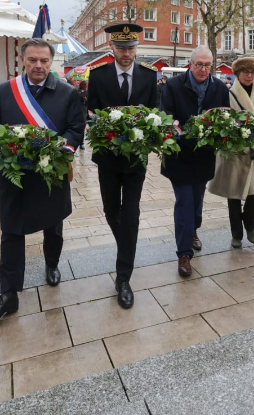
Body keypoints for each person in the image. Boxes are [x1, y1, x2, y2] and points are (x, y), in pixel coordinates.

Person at [0, 39, 86, 321]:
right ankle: (9, 294)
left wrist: (60, 150)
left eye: (44, 61)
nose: (39, 66)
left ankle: (52, 264)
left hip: (51, 173)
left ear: (51, 62)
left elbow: (76, 128)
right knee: (11, 232)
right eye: (33, 60)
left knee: (53, 227)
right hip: (15, 177)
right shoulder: (6, 91)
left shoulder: (67, 92)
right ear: (22, 60)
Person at [87, 23, 159, 308]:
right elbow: (90, 109)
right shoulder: (98, 75)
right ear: (112, 48)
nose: (126, 53)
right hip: (107, 158)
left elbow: (155, 112)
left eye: (130, 48)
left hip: (135, 160)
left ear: (136, 49)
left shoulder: (149, 76)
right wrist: (100, 124)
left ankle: (123, 276)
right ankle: (126, 244)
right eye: (121, 48)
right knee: (110, 209)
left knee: (131, 213)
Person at [161, 46, 229, 276]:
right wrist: (178, 130)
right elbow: (165, 117)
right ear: (190, 64)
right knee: (184, 201)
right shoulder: (173, 85)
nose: (203, 69)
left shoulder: (219, 87)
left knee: (197, 201)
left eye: (207, 65)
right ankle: (184, 254)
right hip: (178, 155)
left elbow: (224, 116)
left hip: (204, 156)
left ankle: (193, 230)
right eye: (198, 64)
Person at [208, 57, 254, 248]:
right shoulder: (227, 93)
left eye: (252, 72)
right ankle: (236, 234)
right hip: (234, 151)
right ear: (237, 74)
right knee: (234, 195)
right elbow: (219, 119)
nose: (249, 76)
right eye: (245, 72)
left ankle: (250, 224)